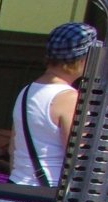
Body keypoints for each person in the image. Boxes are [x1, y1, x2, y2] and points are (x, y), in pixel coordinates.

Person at [10, 22, 98, 187]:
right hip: (48, 193)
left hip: (17, 185)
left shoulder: (26, 91)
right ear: (82, 59)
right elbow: (79, 158)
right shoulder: (69, 98)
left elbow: (13, 148)